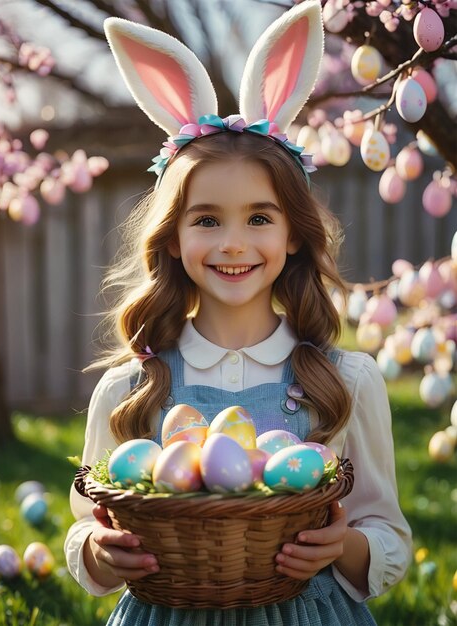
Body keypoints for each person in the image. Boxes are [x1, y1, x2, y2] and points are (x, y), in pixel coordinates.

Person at [65, 2, 412, 624]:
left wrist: (345, 546)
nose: (232, 243)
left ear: (295, 236)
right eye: (206, 220)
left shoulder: (343, 381)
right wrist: (99, 551)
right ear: (173, 237)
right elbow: (86, 525)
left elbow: (388, 534)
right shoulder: (131, 387)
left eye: (259, 218)